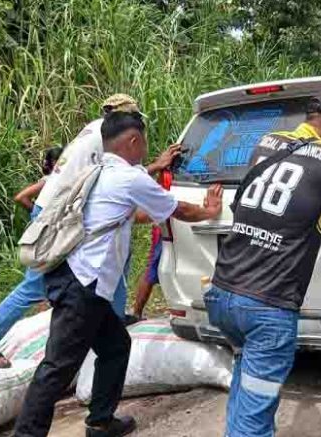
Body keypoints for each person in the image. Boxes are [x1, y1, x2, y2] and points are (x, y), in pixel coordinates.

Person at [13, 111, 224, 437]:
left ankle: (100, 422)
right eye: (144, 142)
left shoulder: (99, 171)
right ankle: (27, 434)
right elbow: (178, 209)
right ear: (133, 140)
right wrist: (209, 211)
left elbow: (129, 215)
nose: (145, 149)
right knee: (57, 367)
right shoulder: (130, 177)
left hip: (84, 283)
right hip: (83, 284)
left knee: (115, 346)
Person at [204, 89, 321, 437]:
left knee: (246, 390)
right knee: (255, 422)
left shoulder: (268, 141)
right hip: (267, 307)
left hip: (223, 295)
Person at [0, 94, 178, 368]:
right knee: (36, 285)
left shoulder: (93, 131)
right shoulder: (104, 138)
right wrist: (154, 169)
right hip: (59, 212)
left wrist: (152, 169)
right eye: (133, 118)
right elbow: (119, 180)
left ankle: (115, 319)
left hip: (60, 207)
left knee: (118, 258)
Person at [126, 224, 162, 324]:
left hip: (168, 226)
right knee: (151, 271)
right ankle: (136, 313)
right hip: (166, 227)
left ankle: (136, 313)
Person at [13, 146, 63, 211]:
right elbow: (21, 197)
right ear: (54, 162)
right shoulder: (48, 180)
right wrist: (37, 212)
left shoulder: (59, 179)